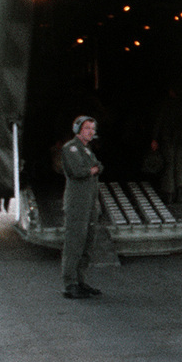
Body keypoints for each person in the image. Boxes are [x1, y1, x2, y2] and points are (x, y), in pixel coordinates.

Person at [61, 115, 104, 299]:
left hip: (90, 202)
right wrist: (92, 169)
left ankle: (81, 281)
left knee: (87, 242)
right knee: (74, 243)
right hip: (77, 203)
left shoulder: (86, 150)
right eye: (87, 128)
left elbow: (99, 166)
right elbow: (78, 171)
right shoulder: (71, 148)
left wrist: (94, 168)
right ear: (78, 129)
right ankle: (69, 283)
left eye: (93, 129)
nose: (91, 132)